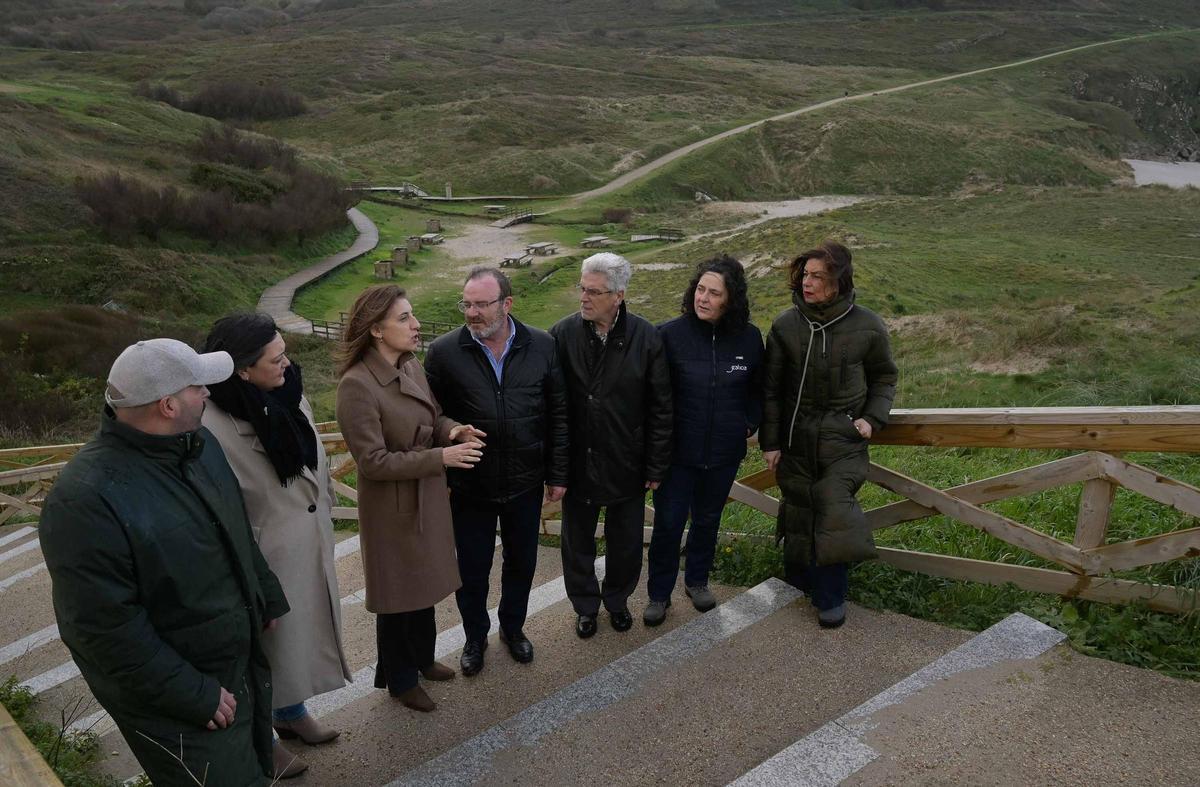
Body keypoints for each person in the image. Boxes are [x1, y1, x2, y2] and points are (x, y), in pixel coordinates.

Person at [40, 338, 290, 786]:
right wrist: (193, 695)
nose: (209, 394)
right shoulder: (83, 500)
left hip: (234, 662)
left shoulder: (196, 443)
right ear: (168, 404)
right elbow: (102, 631)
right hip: (180, 698)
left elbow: (232, 522)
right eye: (199, 387)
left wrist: (263, 592)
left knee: (255, 766)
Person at [200, 314, 353, 778]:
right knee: (262, 649)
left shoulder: (285, 392)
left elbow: (310, 459)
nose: (288, 362)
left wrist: (323, 502)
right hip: (262, 555)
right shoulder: (211, 424)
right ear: (242, 370)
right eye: (276, 357)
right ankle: (260, 740)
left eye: (284, 350)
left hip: (304, 540)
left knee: (294, 639)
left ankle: (291, 714)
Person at [334, 284, 484, 712]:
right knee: (399, 595)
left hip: (426, 496)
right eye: (404, 318)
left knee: (425, 584)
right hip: (392, 508)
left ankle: (421, 658)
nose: (416, 325)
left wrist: (452, 430)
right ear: (376, 330)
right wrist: (443, 455)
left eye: (412, 315)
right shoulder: (356, 386)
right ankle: (400, 679)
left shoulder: (410, 366)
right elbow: (373, 462)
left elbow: (433, 417)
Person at [424, 267, 568, 675]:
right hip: (471, 484)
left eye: (481, 304)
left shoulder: (543, 345)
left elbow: (558, 414)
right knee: (472, 569)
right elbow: (431, 414)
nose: (472, 312)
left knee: (522, 562)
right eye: (466, 303)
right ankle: (474, 637)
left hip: (525, 480)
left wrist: (557, 474)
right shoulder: (443, 352)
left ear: (507, 304)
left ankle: (513, 629)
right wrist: (451, 431)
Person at [761, 241, 897, 628]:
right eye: (805, 274)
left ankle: (831, 595)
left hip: (843, 439)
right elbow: (770, 390)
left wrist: (872, 417)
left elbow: (885, 376)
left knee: (834, 505)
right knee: (800, 505)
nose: (809, 282)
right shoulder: (786, 325)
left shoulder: (867, 324)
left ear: (839, 280)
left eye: (818, 276)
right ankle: (801, 580)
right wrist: (770, 442)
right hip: (795, 436)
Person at [549, 252, 672, 637]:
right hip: (577, 463)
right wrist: (555, 467)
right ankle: (585, 606)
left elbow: (661, 407)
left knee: (625, 544)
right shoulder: (561, 334)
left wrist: (655, 465)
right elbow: (552, 407)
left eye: (593, 292)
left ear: (618, 295)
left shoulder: (646, 336)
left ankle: (617, 600)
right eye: (582, 289)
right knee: (577, 543)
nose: (583, 298)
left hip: (627, 461)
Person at [643, 256, 764, 626]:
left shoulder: (749, 338)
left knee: (708, 520)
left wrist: (749, 421)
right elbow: (653, 397)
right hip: (677, 455)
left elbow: (758, 389)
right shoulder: (669, 335)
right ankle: (658, 595)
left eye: (714, 293)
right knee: (668, 524)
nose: (704, 298)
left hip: (724, 452)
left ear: (731, 299)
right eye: (700, 289)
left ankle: (697, 581)